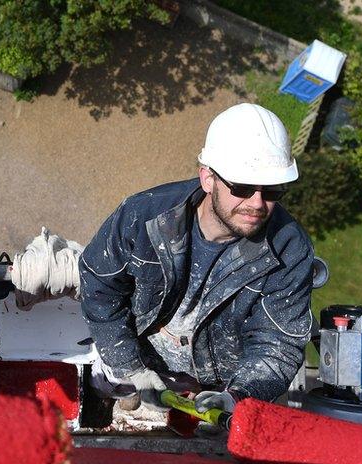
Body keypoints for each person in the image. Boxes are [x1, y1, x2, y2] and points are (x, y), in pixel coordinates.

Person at [79, 103, 314, 416]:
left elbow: (278, 343)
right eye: (242, 187)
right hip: (138, 365)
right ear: (208, 178)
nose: (257, 203)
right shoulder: (144, 217)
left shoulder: (289, 250)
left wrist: (237, 398)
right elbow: (100, 284)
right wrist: (127, 367)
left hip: (221, 389)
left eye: (272, 191)